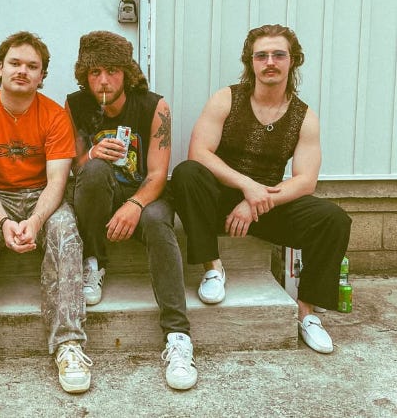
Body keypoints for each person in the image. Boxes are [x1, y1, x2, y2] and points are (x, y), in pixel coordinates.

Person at [170, 24, 351, 354]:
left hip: (265, 206)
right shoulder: (227, 99)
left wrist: (256, 199)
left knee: (333, 219)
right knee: (186, 173)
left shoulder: (304, 116)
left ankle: (306, 312)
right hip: (217, 200)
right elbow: (199, 152)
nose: (270, 62)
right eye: (261, 55)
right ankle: (212, 269)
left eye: (278, 55)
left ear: (292, 60)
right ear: (250, 61)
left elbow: (305, 180)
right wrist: (247, 187)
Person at [0, 31, 91, 397]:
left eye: (32, 66)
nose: (22, 71)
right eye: (14, 63)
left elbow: (57, 181)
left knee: (65, 232)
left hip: (42, 195)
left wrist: (36, 220)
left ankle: (69, 344)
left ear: (42, 76)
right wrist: (4, 222)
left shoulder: (55, 116)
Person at [67, 30, 197, 390]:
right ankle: (94, 261)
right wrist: (90, 154)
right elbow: (74, 167)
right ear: (84, 75)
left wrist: (135, 205)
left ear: (127, 72)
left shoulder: (154, 106)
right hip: (99, 196)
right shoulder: (75, 105)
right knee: (94, 170)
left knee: (156, 222)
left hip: (145, 196)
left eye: (112, 71)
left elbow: (157, 175)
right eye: (94, 72)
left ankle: (178, 337)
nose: (103, 81)